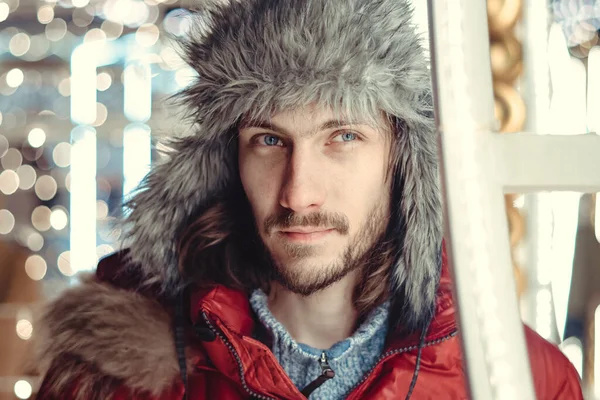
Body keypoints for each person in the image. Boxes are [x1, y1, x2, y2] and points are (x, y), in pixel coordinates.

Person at [35, 0, 583, 399]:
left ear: (402, 160)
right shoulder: (111, 371)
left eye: (343, 137)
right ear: (230, 162)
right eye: (269, 141)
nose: (298, 193)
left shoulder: (527, 380)